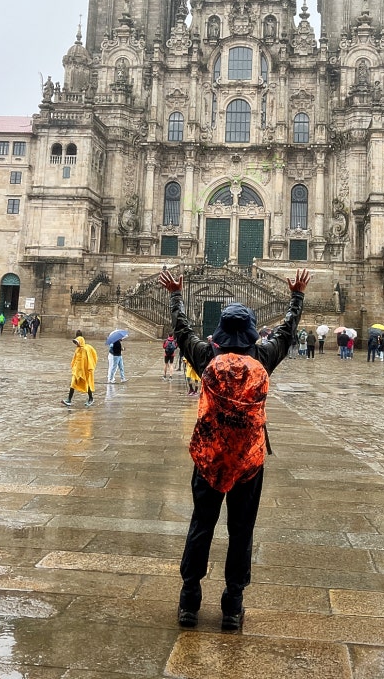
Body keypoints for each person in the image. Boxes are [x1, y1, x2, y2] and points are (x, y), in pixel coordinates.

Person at [158, 266, 311, 633]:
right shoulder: (262, 359)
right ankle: (232, 606)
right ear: (252, 332)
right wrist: (296, 298)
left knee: (201, 525)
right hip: (248, 463)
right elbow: (287, 333)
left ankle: (189, 601)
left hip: (209, 460)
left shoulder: (206, 358)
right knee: (241, 531)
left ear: (222, 331)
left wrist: (176, 296)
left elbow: (183, 331)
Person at [62, 335, 97, 406]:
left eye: (77, 342)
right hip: (77, 371)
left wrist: (89, 369)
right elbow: (75, 359)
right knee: (73, 384)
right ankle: (69, 400)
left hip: (84, 370)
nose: (76, 344)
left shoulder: (86, 349)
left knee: (87, 383)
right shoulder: (77, 349)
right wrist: (73, 367)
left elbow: (89, 359)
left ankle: (91, 398)